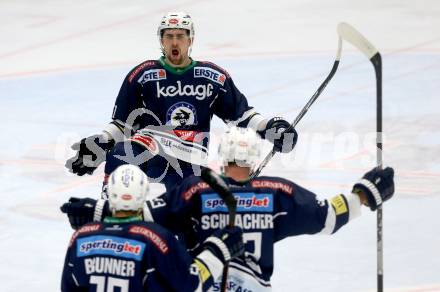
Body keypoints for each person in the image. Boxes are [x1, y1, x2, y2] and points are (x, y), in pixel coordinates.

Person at [62, 127, 395, 291]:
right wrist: (365, 193)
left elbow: (144, 214)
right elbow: (329, 216)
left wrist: (95, 211)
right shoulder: (277, 192)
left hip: (204, 283)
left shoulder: (196, 189)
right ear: (252, 162)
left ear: (222, 158)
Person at [65, 11, 298, 193]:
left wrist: (270, 127)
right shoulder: (143, 75)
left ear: (190, 40)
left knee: (189, 214)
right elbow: (121, 125)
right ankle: (110, 214)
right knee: (119, 154)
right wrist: (101, 141)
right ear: (161, 40)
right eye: (169, 36)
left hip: (190, 159)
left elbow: (241, 115)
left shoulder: (212, 76)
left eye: (180, 36)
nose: (174, 42)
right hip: (150, 150)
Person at [61, 164, 245, 292]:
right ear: (144, 194)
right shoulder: (157, 238)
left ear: (110, 193)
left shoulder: (80, 238)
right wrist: (217, 251)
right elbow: (190, 284)